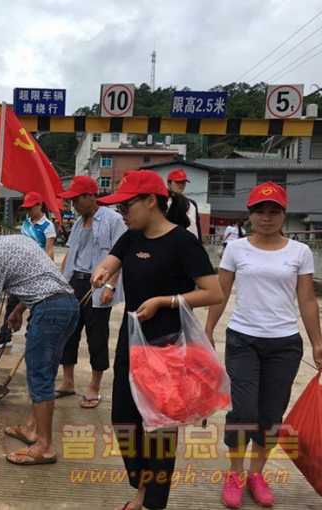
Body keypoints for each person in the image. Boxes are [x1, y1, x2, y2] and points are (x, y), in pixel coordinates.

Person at [89, 170, 222, 510]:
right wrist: (102, 273)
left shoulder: (182, 242)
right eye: (119, 208)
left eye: (126, 206)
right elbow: (110, 262)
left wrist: (166, 301)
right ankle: (142, 485)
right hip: (132, 341)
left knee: (160, 426)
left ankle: (150, 501)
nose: (122, 213)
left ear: (151, 201)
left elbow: (213, 292)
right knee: (124, 419)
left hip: (168, 345)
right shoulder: (131, 237)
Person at [204, 181, 322, 509]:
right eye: (259, 211)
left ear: (284, 214)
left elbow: (307, 300)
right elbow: (220, 292)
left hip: (285, 344)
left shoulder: (299, 252)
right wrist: (208, 329)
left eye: (273, 211)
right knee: (244, 410)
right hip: (243, 340)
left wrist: (317, 343)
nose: (266, 217)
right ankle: (236, 473)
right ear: (250, 215)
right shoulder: (236, 249)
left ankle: (256, 473)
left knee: (271, 413)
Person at [0, 218, 79, 466]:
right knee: (45, 372)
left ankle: (44, 446)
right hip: (68, 305)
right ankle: (32, 429)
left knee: (40, 376)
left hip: (49, 312)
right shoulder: (19, 240)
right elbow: (39, 278)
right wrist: (18, 310)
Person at [52, 176, 126, 408]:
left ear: (91, 196)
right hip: (75, 281)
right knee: (69, 333)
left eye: (76, 199)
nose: (73, 204)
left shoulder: (113, 220)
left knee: (97, 336)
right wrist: (62, 282)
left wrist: (110, 286)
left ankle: (94, 386)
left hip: (99, 285)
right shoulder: (78, 222)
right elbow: (70, 253)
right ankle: (68, 381)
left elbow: (120, 254)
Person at [0, 191, 57, 349]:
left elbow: (49, 250)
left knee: (35, 306)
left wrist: (47, 270)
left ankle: (32, 338)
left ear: (39, 206)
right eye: (26, 208)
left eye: (30, 207)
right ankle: (5, 335)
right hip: (21, 270)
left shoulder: (47, 226)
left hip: (37, 271)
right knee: (12, 303)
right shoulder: (26, 223)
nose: (28, 211)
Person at [167, 168, 202, 240]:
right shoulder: (164, 203)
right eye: (177, 182)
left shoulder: (192, 204)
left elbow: (197, 227)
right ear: (169, 184)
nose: (180, 185)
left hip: (190, 242)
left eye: (183, 182)